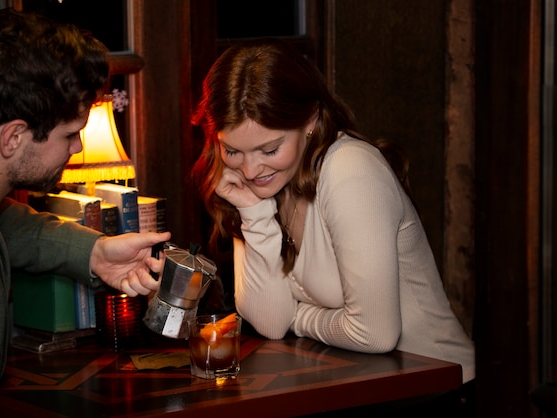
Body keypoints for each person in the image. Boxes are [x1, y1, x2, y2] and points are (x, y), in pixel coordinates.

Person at [190, 38, 475, 389]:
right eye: (232, 150)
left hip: (444, 388)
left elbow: (374, 334)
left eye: (270, 149)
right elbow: (270, 323)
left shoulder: (349, 169)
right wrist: (254, 213)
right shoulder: (266, 185)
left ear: (310, 120)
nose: (249, 170)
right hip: (365, 389)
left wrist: (299, 317)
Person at [0, 9, 170, 417]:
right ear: (14, 137)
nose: (77, 147)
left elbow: (0, 221)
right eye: (69, 134)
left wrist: (95, 252)